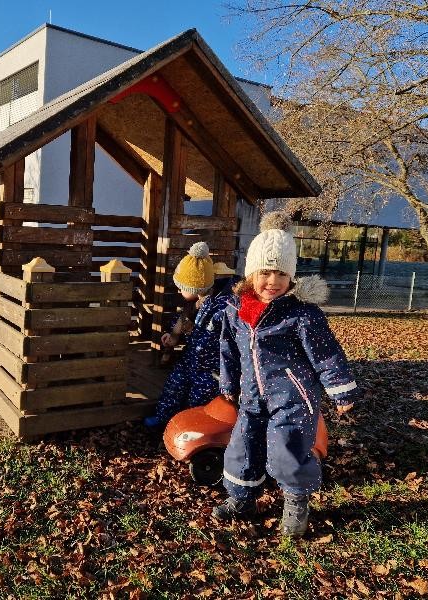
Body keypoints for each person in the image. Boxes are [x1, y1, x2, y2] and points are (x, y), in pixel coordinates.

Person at [213, 212, 358, 537]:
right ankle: (242, 499)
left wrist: (340, 388)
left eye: (281, 273)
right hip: (251, 395)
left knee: (286, 450)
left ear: (291, 277)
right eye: (265, 272)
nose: (272, 281)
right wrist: (228, 381)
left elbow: (325, 352)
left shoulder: (301, 314)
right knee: (243, 446)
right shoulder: (236, 310)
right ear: (251, 274)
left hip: (293, 397)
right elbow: (228, 348)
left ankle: (296, 502)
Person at [143, 242, 239, 429]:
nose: (179, 291)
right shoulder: (195, 303)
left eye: (182, 288)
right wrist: (173, 335)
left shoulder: (223, 308)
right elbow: (183, 321)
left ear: (196, 287)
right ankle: (163, 417)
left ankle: (191, 428)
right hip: (189, 360)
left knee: (198, 400)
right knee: (173, 387)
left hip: (210, 369)